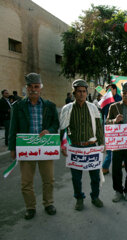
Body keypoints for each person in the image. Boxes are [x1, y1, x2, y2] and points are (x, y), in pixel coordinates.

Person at [8, 73, 59, 220]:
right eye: (30, 86)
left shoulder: (49, 106)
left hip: (45, 149)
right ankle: (30, 207)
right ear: (26, 88)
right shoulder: (18, 107)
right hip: (26, 149)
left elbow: (56, 124)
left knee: (48, 179)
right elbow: (13, 128)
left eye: (36, 86)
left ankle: (48, 203)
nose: (33, 89)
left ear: (41, 88)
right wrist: (12, 148)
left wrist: (49, 130)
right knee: (26, 182)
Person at [59, 79, 104, 211]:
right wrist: (63, 145)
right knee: (76, 178)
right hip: (76, 148)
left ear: (86, 93)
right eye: (79, 91)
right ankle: (79, 198)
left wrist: (101, 145)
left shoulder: (93, 107)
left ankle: (95, 197)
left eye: (84, 91)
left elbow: (99, 128)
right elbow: (63, 128)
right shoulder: (67, 109)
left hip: (92, 147)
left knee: (95, 176)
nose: (82, 94)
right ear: (74, 93)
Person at [101, 84, 122, 175]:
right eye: (107, 91)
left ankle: (123, 161)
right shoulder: (105, 99)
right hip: (109, 125)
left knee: (121, 146)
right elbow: (102, 112)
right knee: (110, 148)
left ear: (114, 90)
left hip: (120, 126)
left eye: (109, 90)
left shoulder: (120, 99)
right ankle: (105, 167)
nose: (107, 92)